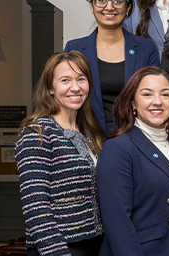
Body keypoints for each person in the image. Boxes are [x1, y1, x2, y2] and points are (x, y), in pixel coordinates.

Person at [15, 51, 105, 256]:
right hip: (58, 248)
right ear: (50, 89)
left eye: (81, 79)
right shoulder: (37, 133)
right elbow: (35, 207)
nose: (75, 87)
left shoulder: (89, 132)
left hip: (93, 244)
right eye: (65, 80)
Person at [96, 66, 169, 256]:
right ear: (133, 103)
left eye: (165, 94)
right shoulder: (118, 149)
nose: (157, 102)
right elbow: (117, 223)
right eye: (147, 94)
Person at [65, 0, 160, 137]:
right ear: (91, 5)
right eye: (101, 0)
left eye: (117, 1)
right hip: (89, 136)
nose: (109, 7)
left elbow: (155, 96)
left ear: (128, 7)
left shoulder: (146, 48)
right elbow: (67, 98)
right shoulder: (74, 49)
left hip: (137, 136)